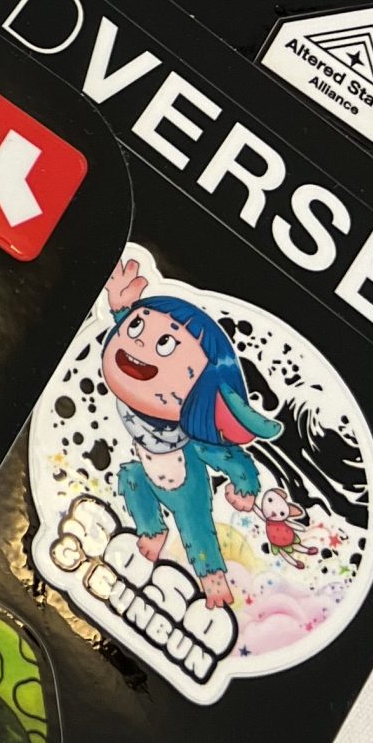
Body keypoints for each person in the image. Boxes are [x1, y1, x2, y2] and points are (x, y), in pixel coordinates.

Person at [98, 251, 279, 608]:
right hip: (147, 469)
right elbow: (130, 337)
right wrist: (121, 309)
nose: (138, 344)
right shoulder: (135, 384)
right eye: (135, 328)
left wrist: (245, 487)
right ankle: (152, 529)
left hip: (185, 487)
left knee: (196, 529)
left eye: (166, 345)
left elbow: (231, 458)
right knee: (130, 479)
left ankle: (213, 581)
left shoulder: (189, 437)